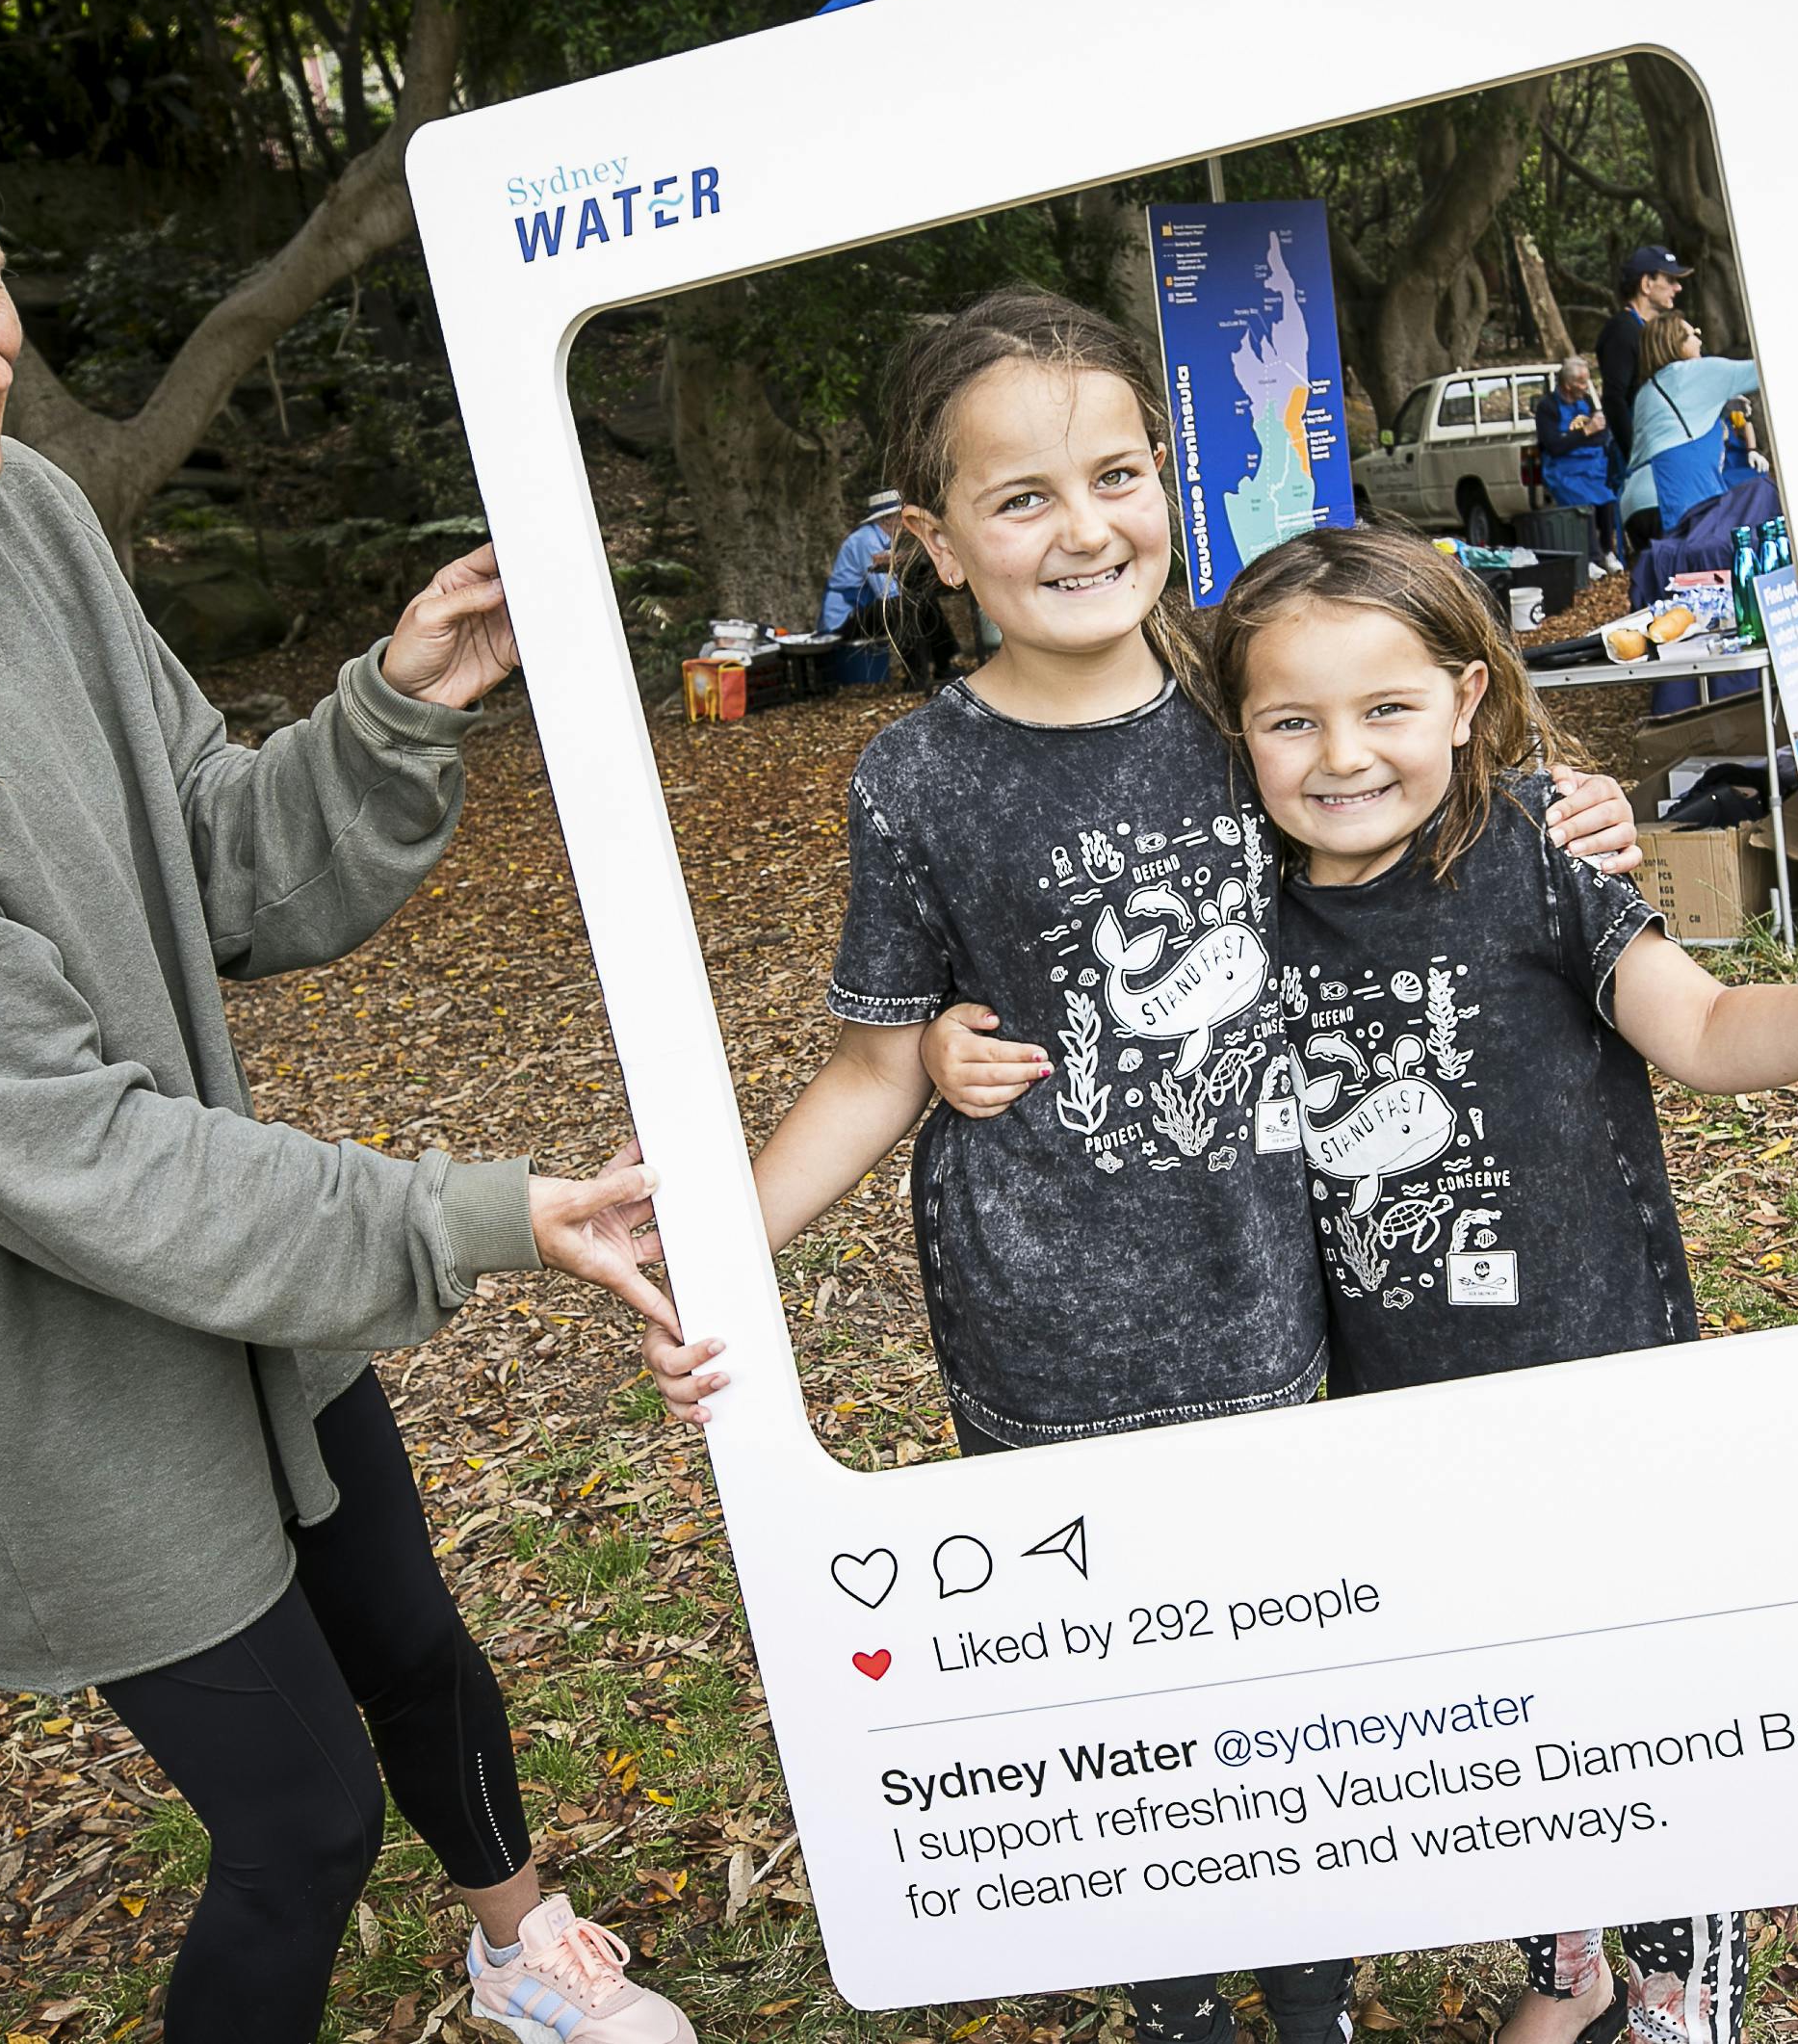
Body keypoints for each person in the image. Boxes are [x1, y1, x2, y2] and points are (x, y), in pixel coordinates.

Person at [0, 43, 696, 2044]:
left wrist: (399, 700)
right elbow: (64, 1151)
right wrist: (489, 1212)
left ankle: (524, 1938)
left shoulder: (24, 521)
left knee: (414, 1644)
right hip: (48, 1373)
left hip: (237, 1273)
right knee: (298, 1823)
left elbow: (223, 867)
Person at [624, 290, 1638, 2044]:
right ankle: (1176, 2009)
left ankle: (1310, 2003)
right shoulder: (912, 777)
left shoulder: (1254, 700)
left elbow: (1419, 810)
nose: (1082, 524)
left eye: (1117, 472)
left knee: (1297, 1702)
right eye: (1020, 498)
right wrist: (714, 1249)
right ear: (929, 542)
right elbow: (875, 1066)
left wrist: (1570, 808)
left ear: (1168, 474)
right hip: (1040, 1344)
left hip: (1277, 1310)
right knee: (1128, 1731)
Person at [908, 525, 1798, 2044]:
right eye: (1288, 718)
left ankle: (1663, 1997)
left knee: (1646, 1728)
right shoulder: (1234, 894)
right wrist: (937, 1045)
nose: (1340, 754)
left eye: (1385, 708)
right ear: (1230, 728)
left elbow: (1701, 1033)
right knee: (1488, 1710)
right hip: (1392, 1419)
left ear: (1460, 694)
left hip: (1600, 1387)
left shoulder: (1529, 852)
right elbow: (1081, 1000)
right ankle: (1560, 1964)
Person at [1614, 313, 1760, 544]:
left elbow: (1676, 428)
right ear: (1675, 342)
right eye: (1693, 334)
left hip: (1635, 505)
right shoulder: (1699, 371)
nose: (1700, 341)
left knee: (1661, 579)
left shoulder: (1646, 391)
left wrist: (1721, 406)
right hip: (1673, 496)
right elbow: (1763, 371)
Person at [822, 485, 960, 680]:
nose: (904, 521)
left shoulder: (886, 538)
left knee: (924, 599)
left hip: (865, 608)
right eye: (900, 515)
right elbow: (886, 592)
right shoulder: (865, 540)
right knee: (899, 607)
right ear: (887, 518)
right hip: (845, 618)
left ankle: (943, 663)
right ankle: (916, 676)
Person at [1595, 244, 1689, 457]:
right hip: (1641, 457)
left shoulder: (1647, 330)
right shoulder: (1623, 330)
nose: (1678, 288)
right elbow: (1614, 399)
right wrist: (1635, 455)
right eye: (1671, 280)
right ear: (1646, 284)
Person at [1531, 355, 1618, 578]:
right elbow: (1554, 445)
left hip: (1591, 465)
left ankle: (1608, 551)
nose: (1585, 387)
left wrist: (1578, 437)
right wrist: (1586, 432)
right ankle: (1590, 558)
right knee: (1583, 502)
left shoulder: (1587, 401)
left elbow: (1602, 437)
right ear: (1567, 384)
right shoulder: (1547, 407)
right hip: (1563, 469)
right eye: (1581, 383)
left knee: (1607, 497)